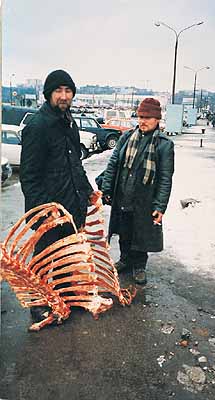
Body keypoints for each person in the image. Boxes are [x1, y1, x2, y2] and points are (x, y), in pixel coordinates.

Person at [20, 69, 97, 322]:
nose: (63, 96)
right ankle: (38, 303)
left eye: (68, 91)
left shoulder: (69, 122)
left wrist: (87, 192)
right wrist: (44, 211)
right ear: (48, 94)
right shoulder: (38, 125)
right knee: (43, 259)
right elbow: (29, 176)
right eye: (58, 91)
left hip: (72, 205)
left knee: (68, 254)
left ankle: (67, 295)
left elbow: (75, 163)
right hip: (49, 210)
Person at [101, 98, 174, 285]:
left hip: (145, 199)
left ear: (157, 119)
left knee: (140, 233)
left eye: (148, 117)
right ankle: (125, 260)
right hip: (123, 195)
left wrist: (160, 206)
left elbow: (166, 178)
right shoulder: (127, 137)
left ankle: (139, 266)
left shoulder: (164, 145)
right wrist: (107, 188)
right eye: (141, 116)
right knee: (124, 231)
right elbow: (113, 164)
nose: (143, 121)